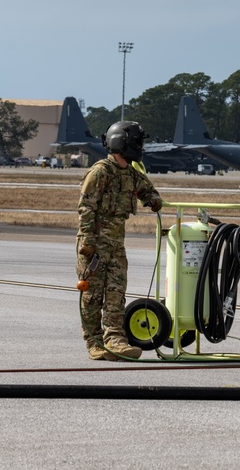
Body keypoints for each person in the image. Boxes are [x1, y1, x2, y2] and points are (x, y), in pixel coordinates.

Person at [76, 120, 163, 361]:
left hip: (115, 244)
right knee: (92, 294)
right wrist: (87, 242)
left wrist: (153, 200)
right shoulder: (100, 172)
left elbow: (148, 190)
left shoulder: (131, 173)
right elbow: (85, 207)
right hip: (94, 243)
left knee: (116, 292)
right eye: (136, 143)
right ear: (122, 144)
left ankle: (115, 339)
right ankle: (94, 342)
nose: (139, 147)